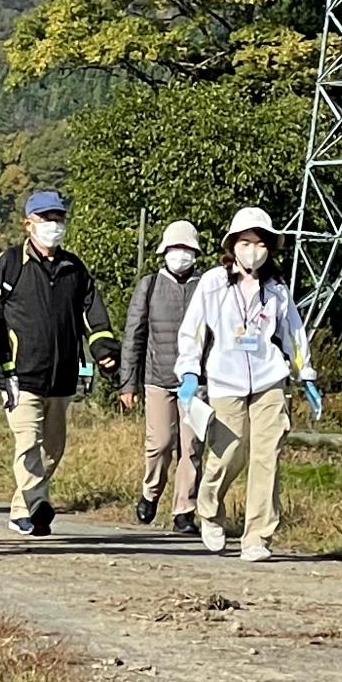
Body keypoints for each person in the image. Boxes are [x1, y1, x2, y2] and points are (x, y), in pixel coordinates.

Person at [175, 207, 321, 562]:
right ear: (232, 245)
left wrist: (307, 375)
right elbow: (192, 330)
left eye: (260, 243)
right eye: (245, 242)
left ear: (269, 247)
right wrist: (189, 372)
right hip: (226, 380)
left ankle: (257, 536)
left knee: (267, 457)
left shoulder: (277, 290)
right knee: (229, 454)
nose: (253, 249)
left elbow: (294, 335)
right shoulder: (212, 283)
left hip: (269, 380)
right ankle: (209, 511)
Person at [0, 189, 119, 537]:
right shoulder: (9, 263)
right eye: (46, 218)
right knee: (27, 441)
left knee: (53, 448)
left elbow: (93, 311)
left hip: (63, 376)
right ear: (27, 224)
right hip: (21, 375)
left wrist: (103, 347)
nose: (53, 225)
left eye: (58, 218)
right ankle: (33, 506)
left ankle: (25, 505)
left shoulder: (74, 267)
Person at [120, 219, 205, 534]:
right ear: (164, 252)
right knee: (160, 443)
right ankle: (150, 491)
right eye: (174, 249)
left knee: (191, 447)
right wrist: (128, 383)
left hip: (196, 382)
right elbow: (134, 335)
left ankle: (184, 511)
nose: (180, 254)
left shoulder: (206, 285)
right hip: (157, 379)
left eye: (186, 249)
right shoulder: (150, 285)